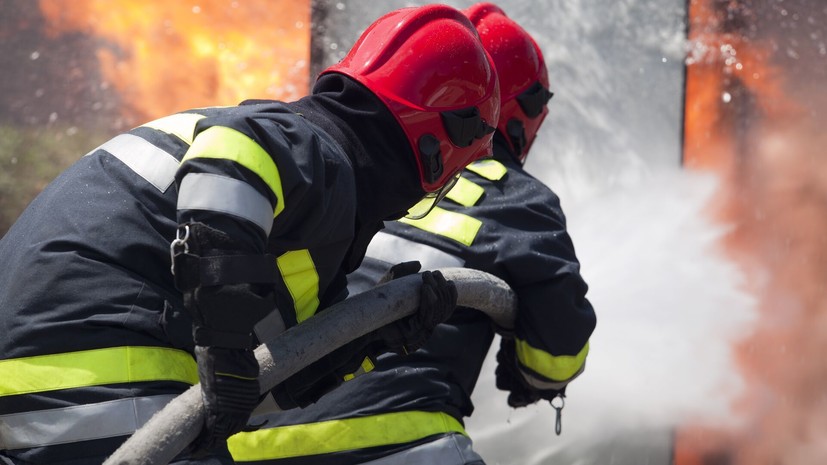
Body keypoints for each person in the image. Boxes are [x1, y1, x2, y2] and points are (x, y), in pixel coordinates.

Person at [0, 4, 500, 464]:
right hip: (94, 381)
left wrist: (375, 336)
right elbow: (232, 158)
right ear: (441, 144)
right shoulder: (313, 149)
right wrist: (224, 347)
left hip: (39, 391)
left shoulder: (301, 204)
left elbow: (262, 387)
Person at [226, 4, 596, 465]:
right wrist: (530, 369)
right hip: (400, 445)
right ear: (521, 111)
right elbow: (555, 357)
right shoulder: (514, 198)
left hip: (240, 442)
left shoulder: (340, 173)